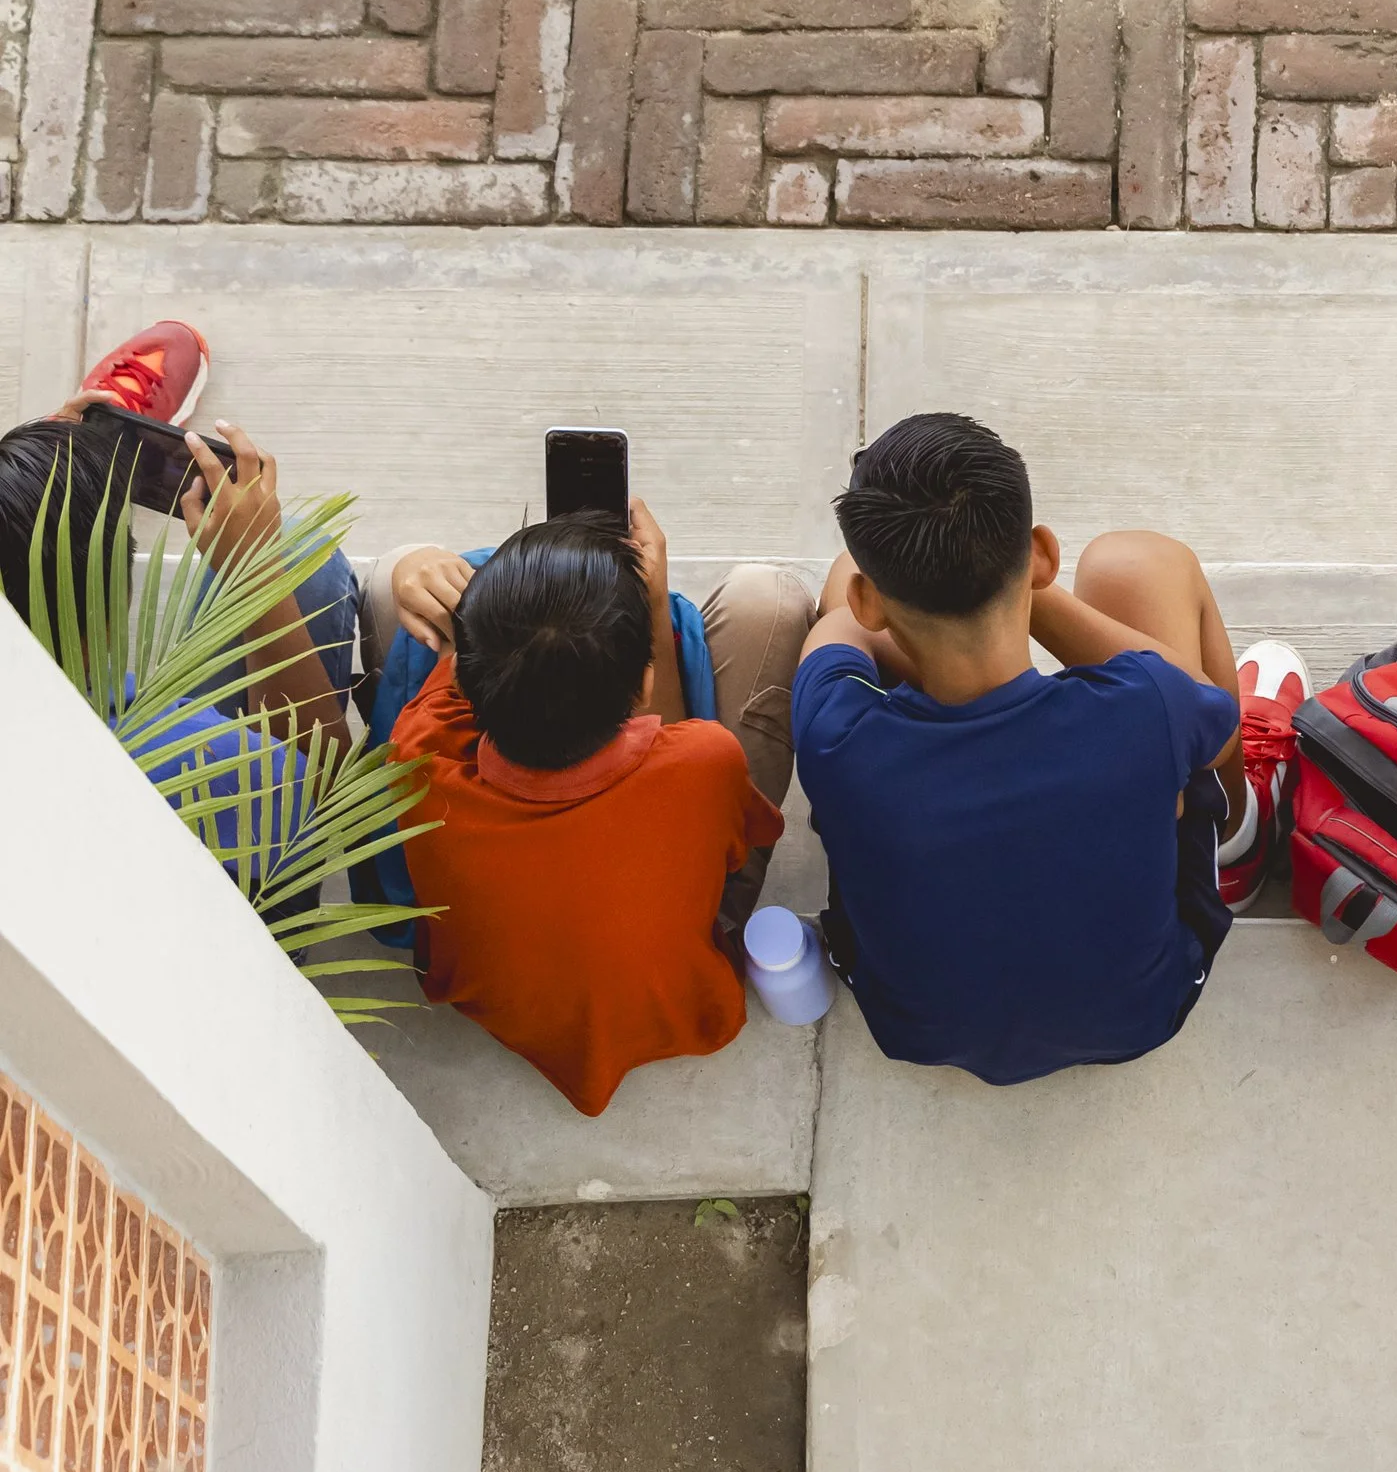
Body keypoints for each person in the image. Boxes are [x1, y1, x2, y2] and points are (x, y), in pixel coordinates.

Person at [790, 412, 1309, 1085]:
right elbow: (1208, 711)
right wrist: (1030, 590)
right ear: (1040, 552)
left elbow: (839, 622)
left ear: (872, 600)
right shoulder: (1142, 705)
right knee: (1137, 564)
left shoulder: (834, 735)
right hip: (1142, 1010)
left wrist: (904, 608)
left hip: (917, 1025)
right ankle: (1238, 840)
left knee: (852, 596)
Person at [367, 505, 817, 1116]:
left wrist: (421, 570)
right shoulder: (704, 761)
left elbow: (439, 663)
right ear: (643, 687)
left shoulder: (418, 765)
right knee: (772, 597)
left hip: (505, 1013)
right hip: (682, 1010)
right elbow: (726, 843)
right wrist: (655, 611)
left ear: (470, 687)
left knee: (397, 568)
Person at [0, 322, 358, 820]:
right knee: (299, 551)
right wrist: (255, 576)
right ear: (107, 609)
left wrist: (48, 475)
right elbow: (325, 795)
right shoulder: (182, 756)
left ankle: (88, 465)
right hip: (253, 862)